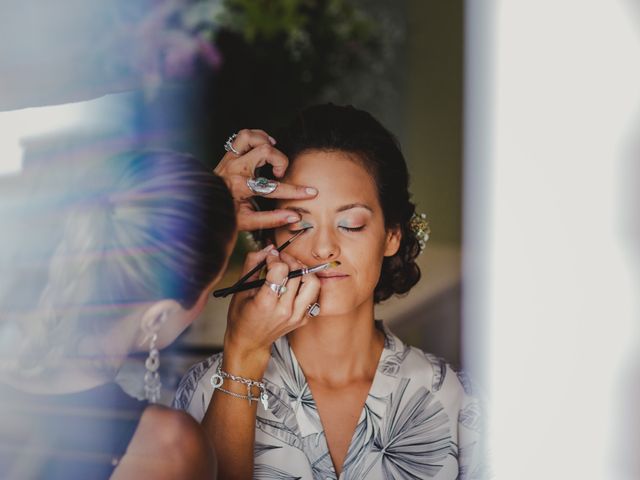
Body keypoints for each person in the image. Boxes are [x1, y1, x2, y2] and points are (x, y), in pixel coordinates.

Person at [174, 104, 484, 479]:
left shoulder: (456, 402)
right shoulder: (207, 390)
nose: (323, 249)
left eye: (350, 224)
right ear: (269, 233)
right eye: (297, 224)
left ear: (392, 235)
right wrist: (242, 359)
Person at [0, 139, 317, 479]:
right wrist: (246, 351)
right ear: (159, 317)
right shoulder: (165, 450)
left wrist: (192, 209)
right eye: (211, 290)